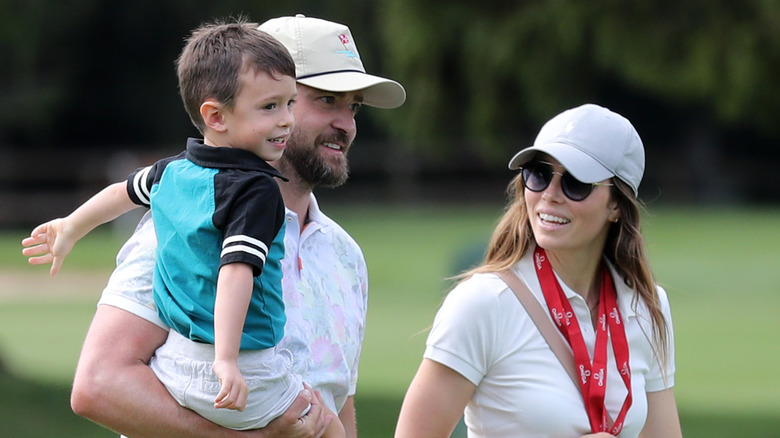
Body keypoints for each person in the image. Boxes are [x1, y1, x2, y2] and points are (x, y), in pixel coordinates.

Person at [35, 14, 404, 438]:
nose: (348, 123)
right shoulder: (183, 224)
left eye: (353, 105)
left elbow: (339, 400)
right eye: (326, 100)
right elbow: (99, 386)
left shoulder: (345, 255)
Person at [395, 104, 682, 438]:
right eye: (539, 174)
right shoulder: (483, 302)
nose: (549, 195)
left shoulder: (647, 306)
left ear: (616, 205)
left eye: (576, 183)